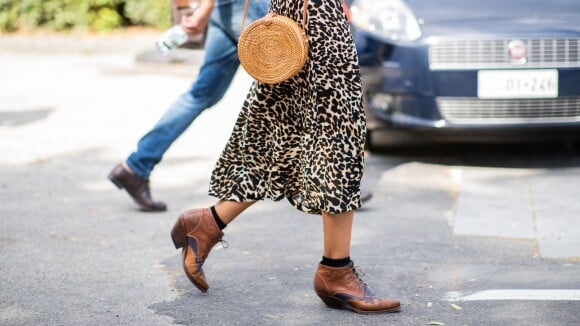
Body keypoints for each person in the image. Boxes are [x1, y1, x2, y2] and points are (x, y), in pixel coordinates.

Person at [170, 0, 400, 314]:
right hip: (316, 25)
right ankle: (336, 271)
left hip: (300, 20)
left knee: (281, 140)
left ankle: (207, 222)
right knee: (338, 142)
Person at [107, 0, 372, 212]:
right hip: (256, 8)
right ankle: (334, 183)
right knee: (306, 97)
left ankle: (136, 166)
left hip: (225, 10)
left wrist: (205, 8)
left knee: (201, 95)